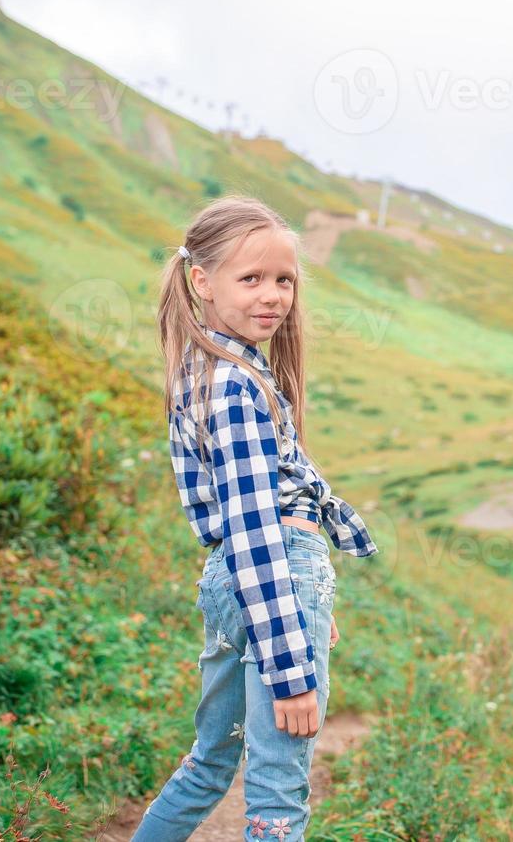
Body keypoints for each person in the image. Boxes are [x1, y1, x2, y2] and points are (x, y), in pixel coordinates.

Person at [132, 197, 380, 841]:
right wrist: (291, 664)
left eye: (284, 280)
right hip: (270, 574)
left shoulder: (200, 368)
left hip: (240, 584)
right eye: (251, 279)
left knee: (210, 762)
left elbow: (239, 532)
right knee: (277, 789)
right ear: (201, 282)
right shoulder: (238, 385)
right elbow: (255, 529)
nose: (273, 296)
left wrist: (309, 607)